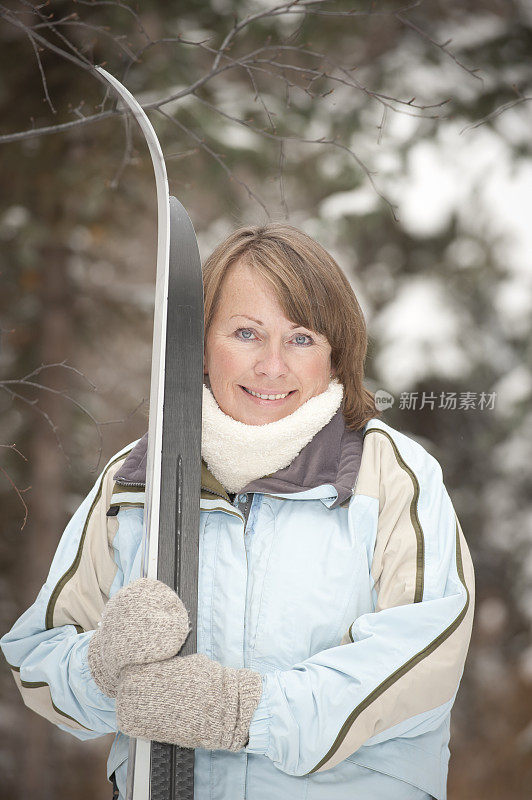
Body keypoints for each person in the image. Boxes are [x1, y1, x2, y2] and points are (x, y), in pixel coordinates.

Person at [1, 223, 475, 800]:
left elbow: (423, 656)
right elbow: (39, 657)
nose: (272, 365)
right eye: (246, 333)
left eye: (301, 338)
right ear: (200, 347)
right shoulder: (136, 480)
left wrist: (247, 712)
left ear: (336, 355)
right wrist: (103, 672)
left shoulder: (391, 473)